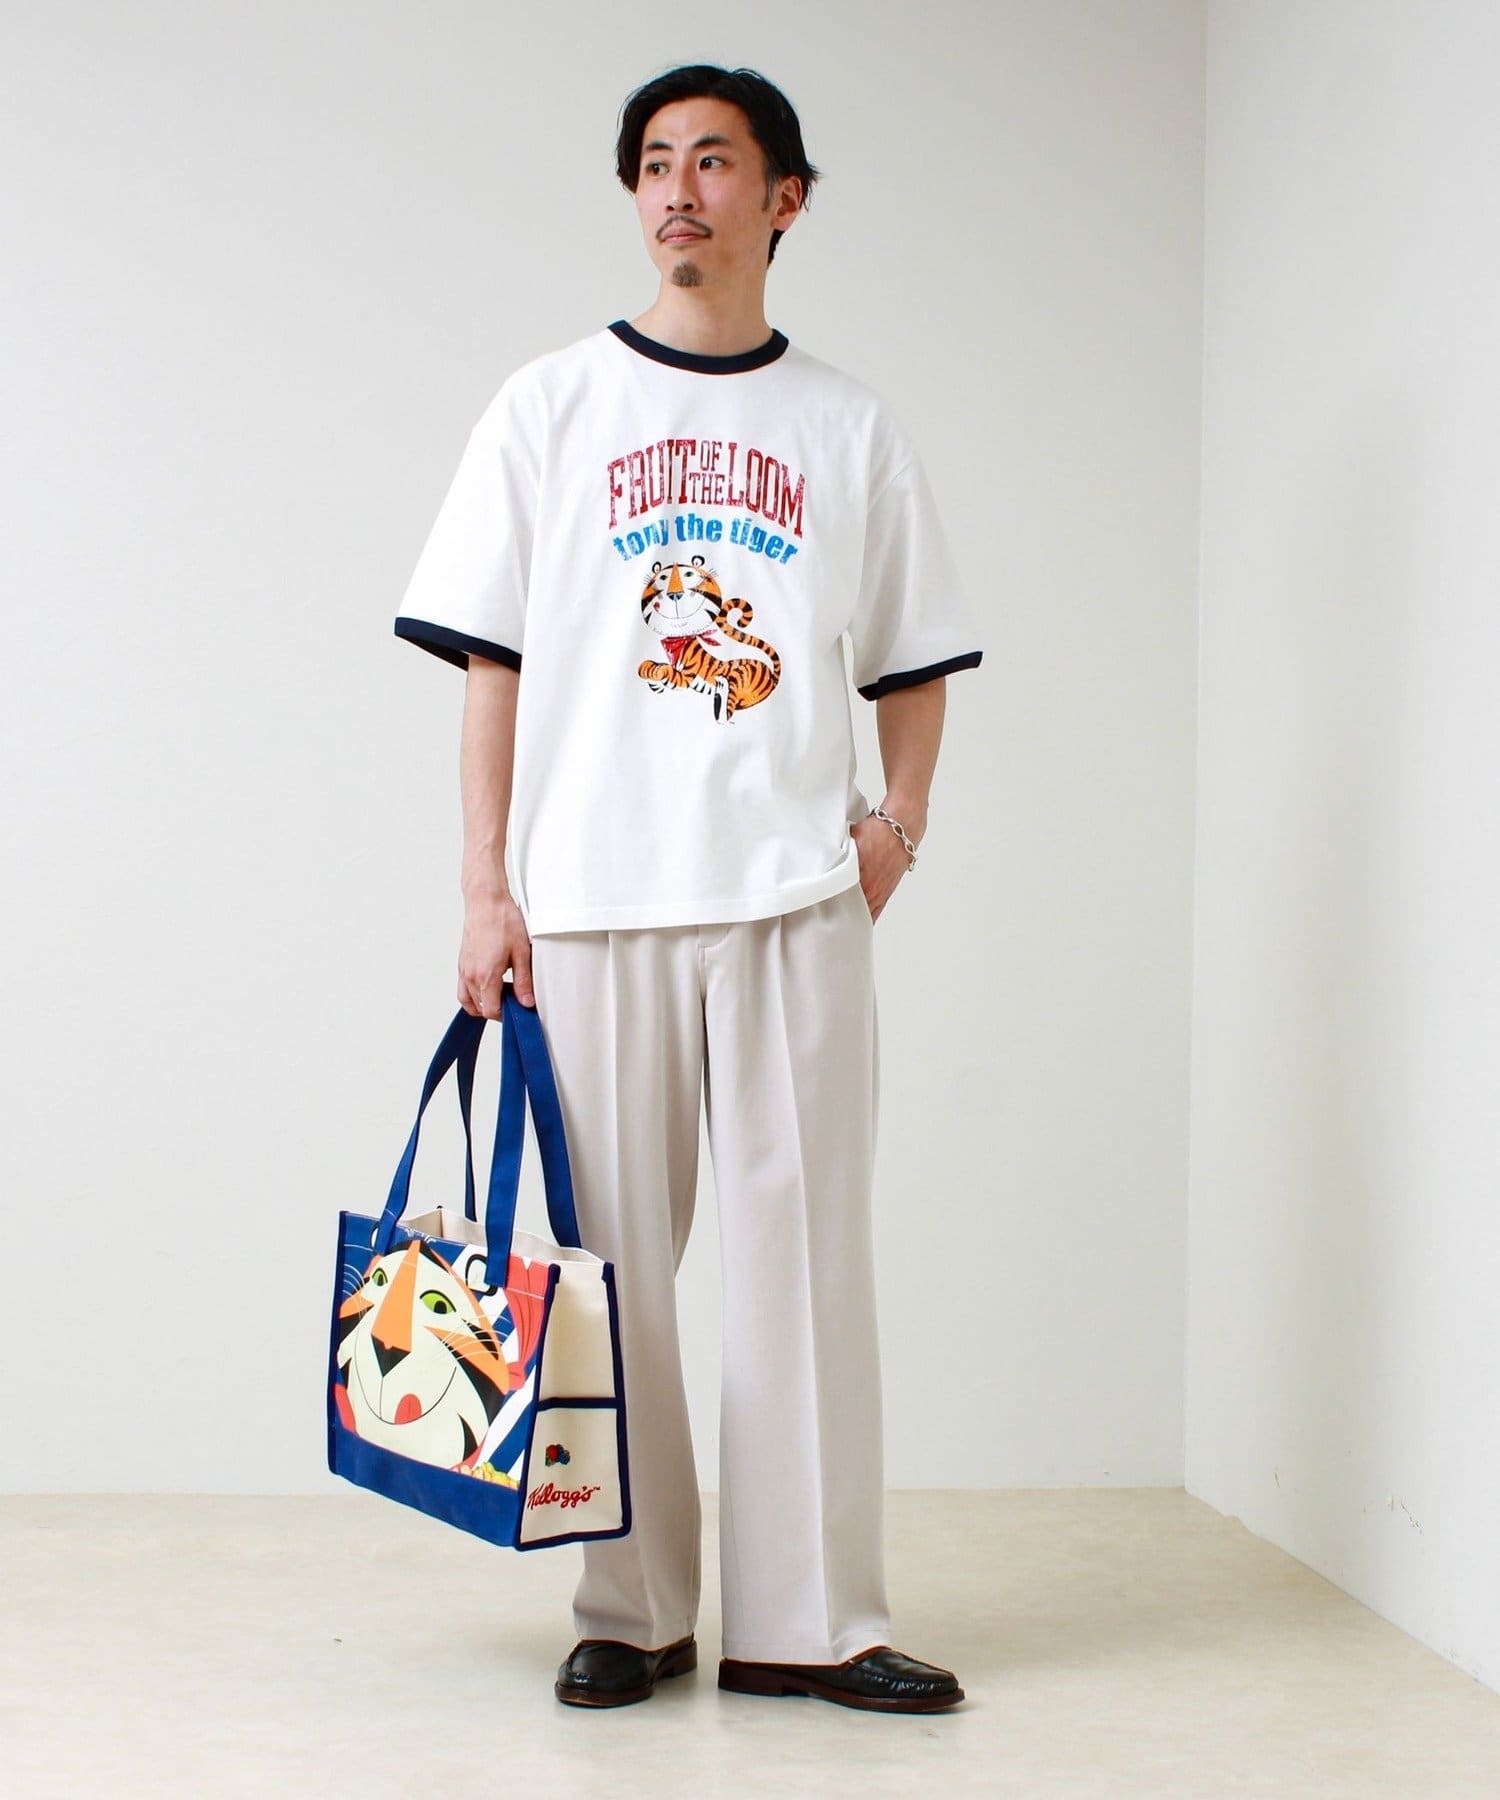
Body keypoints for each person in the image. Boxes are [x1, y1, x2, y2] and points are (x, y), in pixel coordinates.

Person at [393, 62, 983, 1714]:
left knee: (806, 1273)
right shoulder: (550, 408)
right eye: (654, 162)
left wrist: (897, 829)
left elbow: (916, 656)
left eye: (715, 162)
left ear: (784, 200)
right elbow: (491, 666)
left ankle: (814, 1622)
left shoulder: (846, 427)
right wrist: (484, 891)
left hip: (793, 901)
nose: (678, 190)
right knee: (608, 1273)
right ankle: (630, 1605)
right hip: (593, 900)